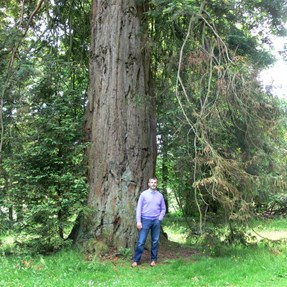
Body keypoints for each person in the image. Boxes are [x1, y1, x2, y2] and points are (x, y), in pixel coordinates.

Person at [132, 177, 166, 267]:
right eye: (151, 182)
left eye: (155, 182)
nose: (153, 184)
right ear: (148, 184)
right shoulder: (143, 194)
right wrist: (138, 221)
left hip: (156, 221)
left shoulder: (160, 195)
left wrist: (159, 219)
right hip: (145, 220)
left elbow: (163, 208)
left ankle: (153, 260)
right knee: (141, 241)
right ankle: (136, 260)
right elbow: (138, 208)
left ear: (157, 184)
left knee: (155, 241)